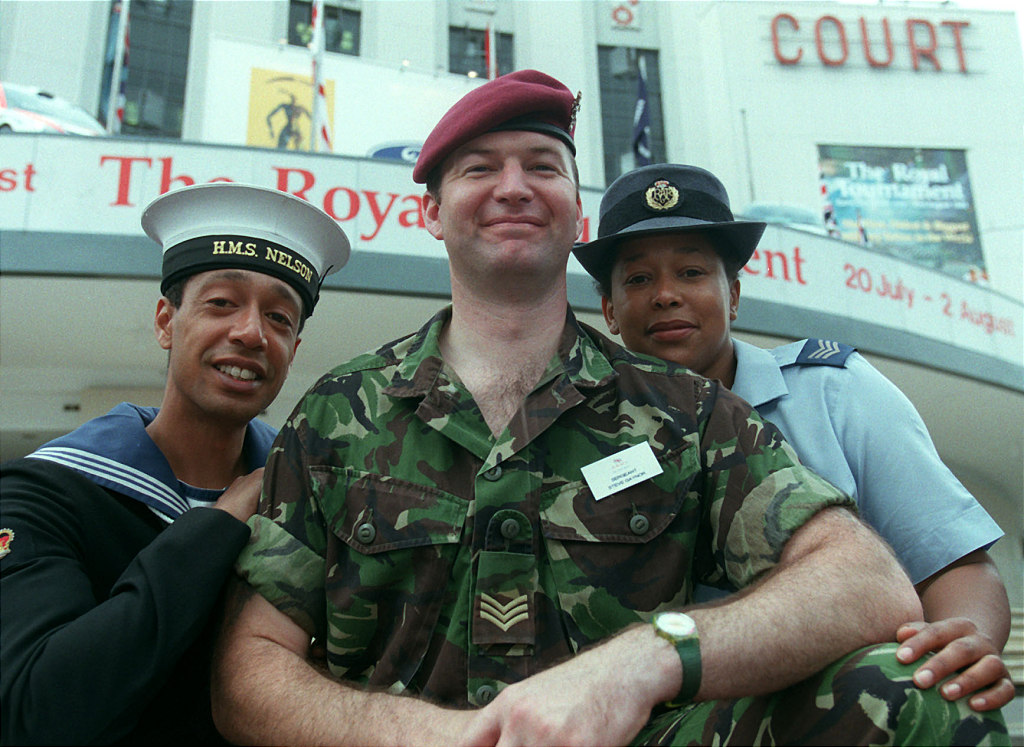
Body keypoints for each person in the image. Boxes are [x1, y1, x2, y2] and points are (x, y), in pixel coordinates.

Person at [211, 71, 1007, 746]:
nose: (514, 186)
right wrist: (433, 734)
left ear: (575, 211)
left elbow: (864, 581)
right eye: (480, 167)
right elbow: (249, 667)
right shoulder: (338, 414)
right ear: (430, 212)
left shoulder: (686, 411)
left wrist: (644, 658)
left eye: (543, 166)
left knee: (908, 689)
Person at [572, 162, 1014, 715]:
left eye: (691, 272)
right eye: (638, 279)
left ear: (732, 295)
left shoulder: (835, 395)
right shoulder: (580, 436)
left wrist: (959, 639)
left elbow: (953, 564)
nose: (666, 295)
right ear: (609, 310)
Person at [0, 183, 350, 745]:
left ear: (294, 350)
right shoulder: (46, 494)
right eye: (221, 303)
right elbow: (38, 714)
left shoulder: (313, 499)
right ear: (166, 321)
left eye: (280, 318)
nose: (251, 333)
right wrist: (215, 526)